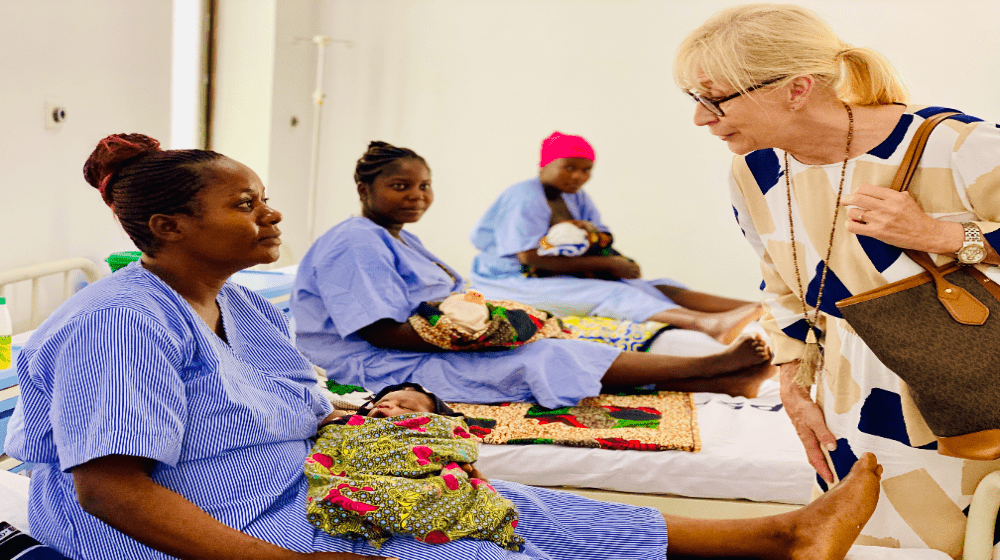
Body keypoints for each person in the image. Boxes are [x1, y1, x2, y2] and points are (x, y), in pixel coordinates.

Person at [2, 132, 885, 560]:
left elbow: (291, 405)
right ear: (168, 226)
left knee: (500, 502)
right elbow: (109, 488)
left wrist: (384, 412)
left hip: (291, 486)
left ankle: (780, 537)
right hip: (216, 527)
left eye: (265, 198)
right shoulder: (122, 319)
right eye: (245, 205)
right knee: (468, 547)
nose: (271, 215)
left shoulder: (242, 306)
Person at [674, 4, 1000, 554]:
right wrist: (791, 384)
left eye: (716, 98)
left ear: (796, 89)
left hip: (966, 387)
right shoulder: (753, 169)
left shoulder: (960, 145)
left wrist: (941, 237)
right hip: (844, 393)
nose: (702, 119)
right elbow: (778, 284)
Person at [292, 141, 776, 411]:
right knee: (542, 355)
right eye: (400, 186)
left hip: (418, 340)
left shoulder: (398, 237)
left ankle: (722, 381)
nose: (417, 196)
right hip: (374, 362)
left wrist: (488, 324)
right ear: (364, 188)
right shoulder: (354, 241)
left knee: (559, 333)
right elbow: (377, 329)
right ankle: (709, 368)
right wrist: (477, 335)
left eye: (424, 185)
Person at [468, 131, 763, 343]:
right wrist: (607, 267)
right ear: (544, 165)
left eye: (586, 170)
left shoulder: (576, 197)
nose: (578, 177)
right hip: (512, 281)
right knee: (614, 293)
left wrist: (618, 262)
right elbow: (529, 257)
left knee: (655, 286)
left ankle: (761, 310)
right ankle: (707, 324)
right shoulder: (524, 197)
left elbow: (602, 237)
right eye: (568, 167)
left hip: (558, 274)